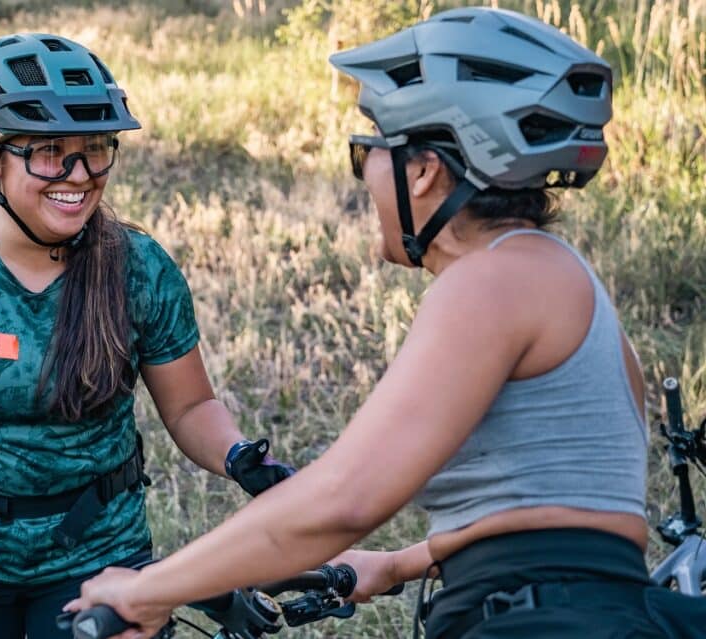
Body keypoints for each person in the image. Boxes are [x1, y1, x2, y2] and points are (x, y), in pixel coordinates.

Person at [65, 8, 706, 638]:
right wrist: (399, 562)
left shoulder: (492, 281)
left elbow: (343, 500)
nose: (364, 174)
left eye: (365, 150)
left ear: (423, 169)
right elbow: (560, 514)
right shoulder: (553, 278)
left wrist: (150, 588)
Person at [0, 33, 294, 639]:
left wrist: (240, 458)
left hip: (97, 554)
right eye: (51, 152)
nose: (79, 177)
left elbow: (190, 407)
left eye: (96, 150)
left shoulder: (139, 269)